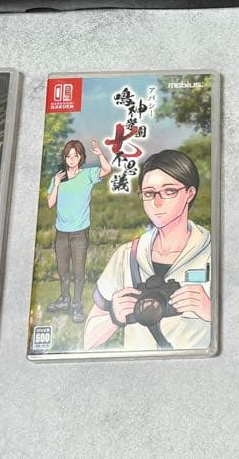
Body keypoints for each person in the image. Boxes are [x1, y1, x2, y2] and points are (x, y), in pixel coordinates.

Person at [84, 150, 212, 352]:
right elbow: (88, 339)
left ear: (190, 193)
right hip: (138, 368)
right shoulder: (127, 256)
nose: (157, 202)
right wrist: (114, 317)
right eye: (149, 193)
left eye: (169, 191)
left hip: (197, 367)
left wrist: (210, 310)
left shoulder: (214, 253)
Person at [46, 139, 112, 323]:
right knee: (62, 269)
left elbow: (107, 170)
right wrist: (57, 183)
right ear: (65, 158)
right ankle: (64, 298)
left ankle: (77, 305)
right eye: (69, 156)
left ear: (81, 157)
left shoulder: (88, 174)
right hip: (61, 232)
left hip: (80, 232)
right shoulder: (58, 178)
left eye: (76, 156)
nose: (72, 159)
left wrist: (100, 154)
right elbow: (50, 203)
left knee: (78, 271)